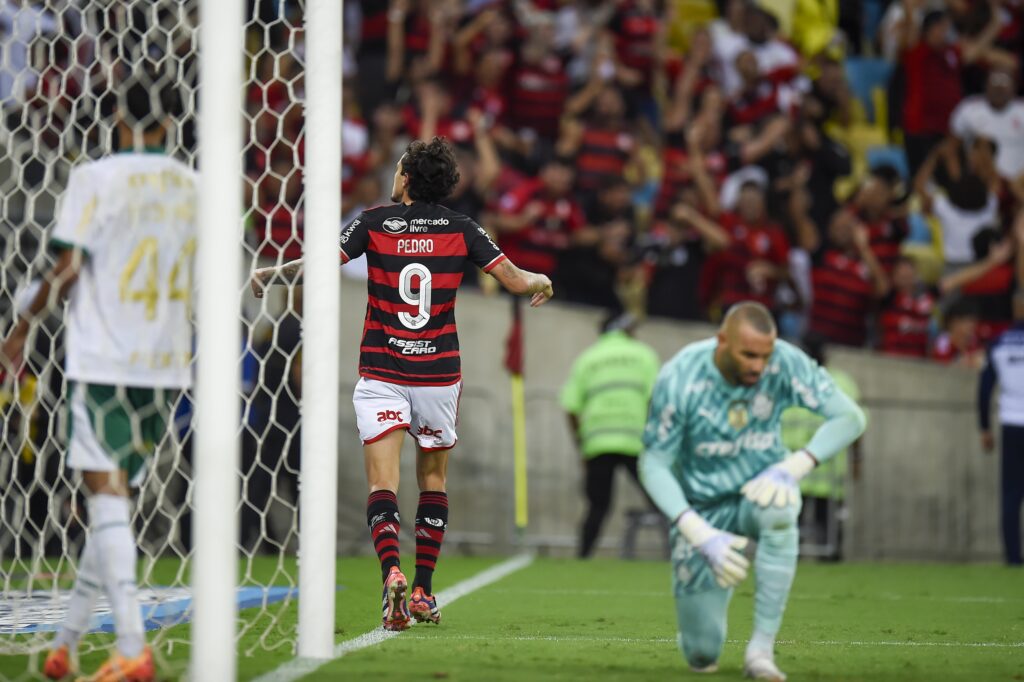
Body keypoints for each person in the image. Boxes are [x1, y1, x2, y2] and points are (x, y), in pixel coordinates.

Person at [251, 137, 553, 631]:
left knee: (382, 482)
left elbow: (319, 267)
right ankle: (422, 590)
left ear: (407, 178)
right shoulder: (464, 228)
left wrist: (273, 274)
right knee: (432, 481)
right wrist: (541, 279)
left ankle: (390, 569)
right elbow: (516, 281)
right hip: (438, 374)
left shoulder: (373, 223)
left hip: (383, 371)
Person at [0, 79, 193, 682]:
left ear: (117, 118)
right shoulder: (197, 187)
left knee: (104, 497)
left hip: (104, 355)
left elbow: (69, 266)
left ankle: (134, 645)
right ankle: (65, 644)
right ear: (174, 124)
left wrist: (21, 325)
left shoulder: (96, 176)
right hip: (165, 362)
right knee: (110, 503)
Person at [639, 301, 866, 679]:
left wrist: (794, 466)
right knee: (702, 654)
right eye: (748, 355)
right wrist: (697, 531)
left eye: (765, 355)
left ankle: (761, 651)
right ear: (721, 341)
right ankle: (704, 616)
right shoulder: (679, 376)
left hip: (758, 493)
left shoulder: (785, 362)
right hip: (702, 511)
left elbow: (850, 418)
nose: (758, 366)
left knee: (782, 510)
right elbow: (653, 463)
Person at [559, 313, 660, 558]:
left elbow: (571, 406)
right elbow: (655, 398)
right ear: (625, 329)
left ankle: (583, 556)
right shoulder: (644, 354)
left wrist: (582, 446)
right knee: (661, 499)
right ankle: (681, 550)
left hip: (597, 442)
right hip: (636, 440)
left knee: (598, 506)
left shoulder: (587, 359)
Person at [977, 289, 1024, 566]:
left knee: (1011, 493)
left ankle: (1013, 557)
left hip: (1011, 422)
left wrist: (984, 426)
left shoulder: (999, 344)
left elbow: (984, 389)